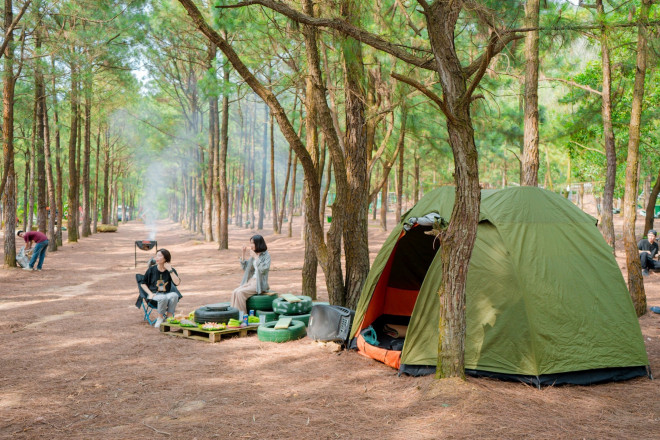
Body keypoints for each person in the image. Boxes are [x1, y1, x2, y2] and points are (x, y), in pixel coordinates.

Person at [140, 249, 182, 328]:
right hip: (153, 296)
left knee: (174, 295)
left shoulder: (170, 270)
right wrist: (150, 293)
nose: (157, 258)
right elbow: (143, 284)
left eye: (159, 256)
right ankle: (160, 318)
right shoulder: (151, 270)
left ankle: (169, 318)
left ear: (165, 259)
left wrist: (170, 270)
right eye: (156, 255)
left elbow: (177, 283)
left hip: (166, 295)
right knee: (163, 297)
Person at [231, 235, 272, 314]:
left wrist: (256, 257)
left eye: (253, 243)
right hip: (251, 281)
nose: (251, 245)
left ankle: (242, 318)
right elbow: (246, 268)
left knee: (240, 293)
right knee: (235, 292)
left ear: (258, 244)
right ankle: (234, 316)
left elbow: (264, 270)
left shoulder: (266, 256)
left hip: (259, 283)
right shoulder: (254, 254)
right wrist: (243, 253)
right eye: (250, 243)